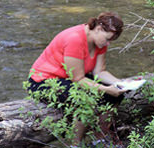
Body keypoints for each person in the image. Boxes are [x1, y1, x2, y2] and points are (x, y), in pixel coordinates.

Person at [27, 12, 127, 147]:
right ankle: (75, 144)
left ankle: (100, 138)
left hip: (69, 78)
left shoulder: (100, 42)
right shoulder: (75, 39)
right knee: (84, 99)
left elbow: (100, 72)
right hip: (43, 82)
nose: (108, 43)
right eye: (108, 39)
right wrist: (107, 89)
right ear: (98, 29)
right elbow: (78, 79)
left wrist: (120, 83)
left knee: (116, 96)